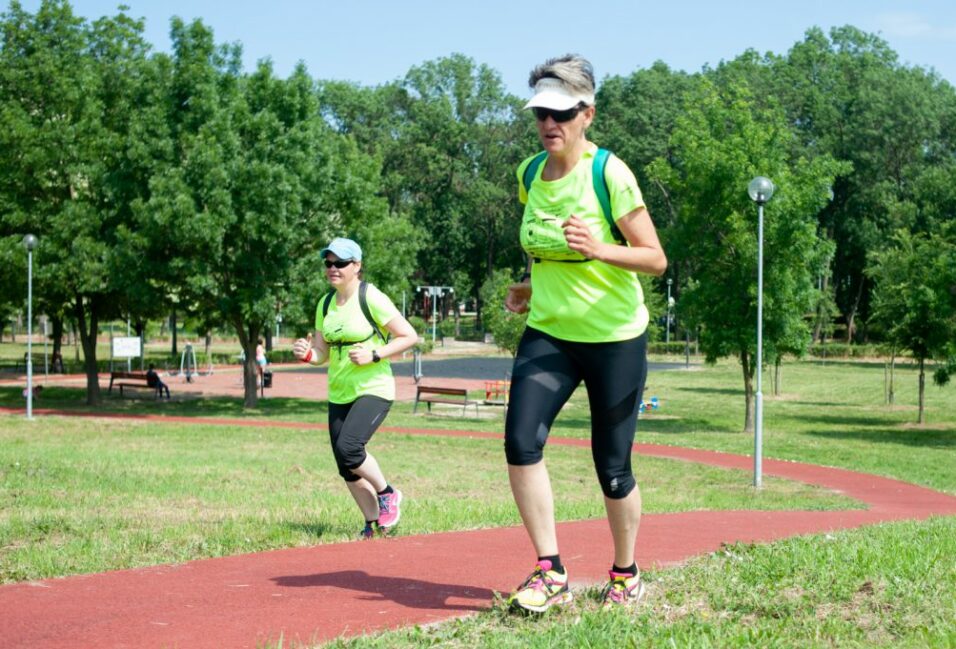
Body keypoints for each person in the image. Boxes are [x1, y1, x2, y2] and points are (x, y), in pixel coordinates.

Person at [503, 54, 667, 612]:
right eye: (540, 115)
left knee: (612, 467)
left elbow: (655, 259)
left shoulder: (609, 174)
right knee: (521, 443)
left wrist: (599, 248)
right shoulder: (528, 174)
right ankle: (550, 571)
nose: (549, 124)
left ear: (587, 114)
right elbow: (543, 245)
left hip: (615, 337)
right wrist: (529, 285)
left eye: (561, 113)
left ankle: (626, 571)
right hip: (549, 332)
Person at [292, 237, 418, 539]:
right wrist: (308, 354)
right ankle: (373, 523)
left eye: (340, 263)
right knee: (345, 465)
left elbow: (408, 336)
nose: (333, 268)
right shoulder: (325, 304)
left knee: (350, 448)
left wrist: (374, 354)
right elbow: (321, 352)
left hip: (374, 386)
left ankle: (387, 493)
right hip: (339, 390)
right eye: (329, 263)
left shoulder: (371, 297)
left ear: (357, 266)